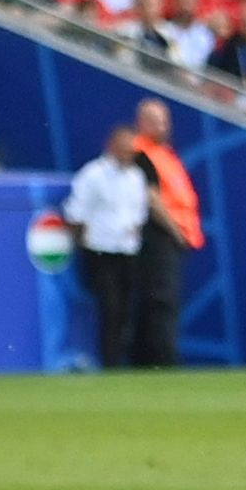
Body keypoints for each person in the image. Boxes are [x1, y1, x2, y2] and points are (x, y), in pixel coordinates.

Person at [62, 124, 155, 370]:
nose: (128, 154)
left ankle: (119, 358)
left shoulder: (136, 176)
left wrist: (136, 229)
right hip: (101, 249)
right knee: (110, 307)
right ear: (111, 146)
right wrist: (81, 242)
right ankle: (109, 362)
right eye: (124, 149)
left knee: (124, 308)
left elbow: (139, 211)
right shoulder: (93, 174)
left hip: (127, 249)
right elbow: (76, 211)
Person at [127, 99, 202, 366]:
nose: (163, 126)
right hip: (158, 234)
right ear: (141, 123)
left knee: (156, 301)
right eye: (155, 120)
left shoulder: (163, 153)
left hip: (171, 234)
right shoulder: (142, 154)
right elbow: (152, 199)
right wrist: (175, 231)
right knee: (162, 300)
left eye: (165, 120)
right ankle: (163, 359)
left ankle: (146, 359)